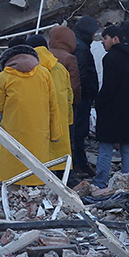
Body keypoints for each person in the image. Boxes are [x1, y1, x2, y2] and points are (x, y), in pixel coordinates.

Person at [93, 23, 129, 185]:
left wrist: (98, 102)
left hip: (112, 111)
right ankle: (128, 183)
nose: (102, 42)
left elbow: (109, 87)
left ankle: (100, 183)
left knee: (105, 149)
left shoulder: (110, 58)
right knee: (128, 149)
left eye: (105, 38)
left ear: (115, 39)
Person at [0, 47, 59, 186]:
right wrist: (55, 134)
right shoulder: (44, 73)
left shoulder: (5, 76)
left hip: (13, 135)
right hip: (39, 135)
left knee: (14, 178)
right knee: (38, 175)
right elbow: (53, 105)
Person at [33, 25, 78, 175]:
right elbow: (71, 92)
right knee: (62, 150)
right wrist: (71, 117)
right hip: (62, 116)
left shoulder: (31, 68)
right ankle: (66, 179)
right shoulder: (60, 67)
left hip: (40, 117)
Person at [72, 15, 103, 175]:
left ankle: (80, 162)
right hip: (82, 98)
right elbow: (81, 75)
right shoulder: (81, 48)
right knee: (79, 131)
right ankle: (78, 163)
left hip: (83, 96)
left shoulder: (80, 45)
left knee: (80, 130)